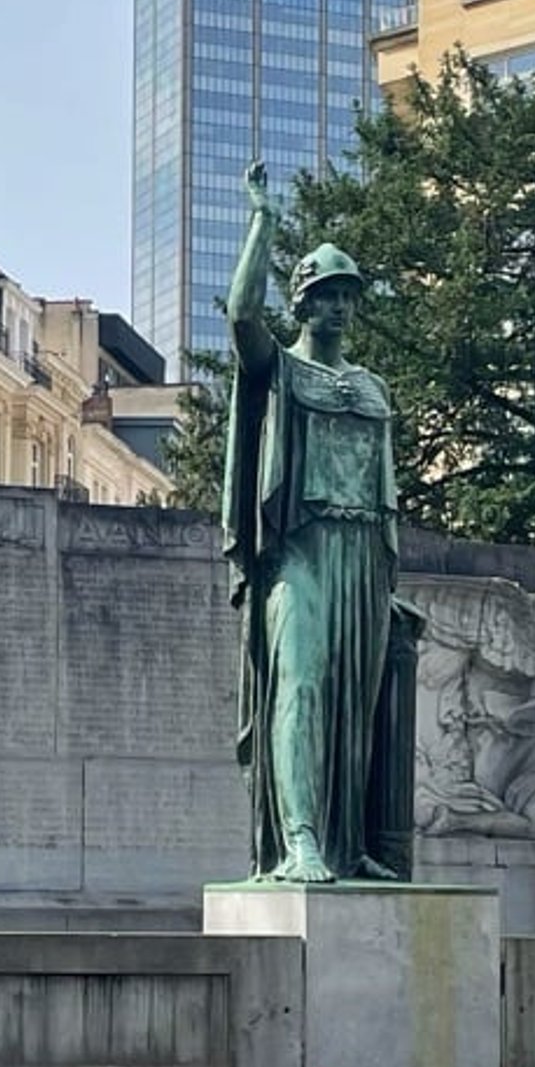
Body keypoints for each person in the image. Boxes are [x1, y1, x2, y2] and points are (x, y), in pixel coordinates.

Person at [222, 160, 402, 883]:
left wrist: (389, 578)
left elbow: (383, 491)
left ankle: (345, 842)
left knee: (354, 707)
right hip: (300, 547)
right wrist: (263, 220)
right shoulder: (280, 368)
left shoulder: (372, 386)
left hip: (363, 551)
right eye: (326, 295)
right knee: (300, 684)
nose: (339, 308)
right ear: (301, 301)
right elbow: (241, 315)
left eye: (347, 297)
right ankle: (299, 838)